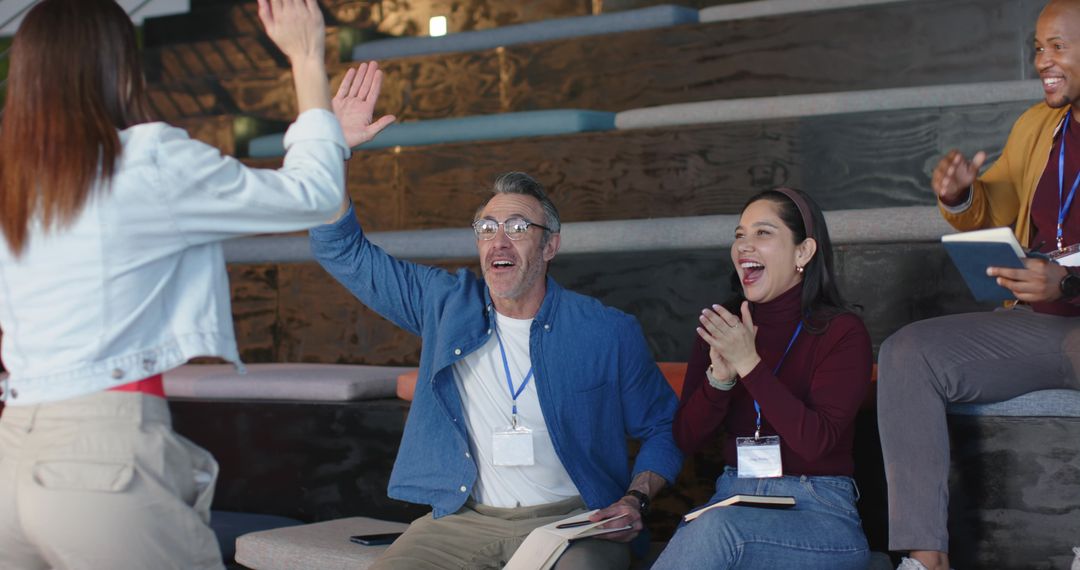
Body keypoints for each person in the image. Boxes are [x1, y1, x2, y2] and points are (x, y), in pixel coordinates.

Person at [0, 1, 392, 568]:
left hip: (13, 456)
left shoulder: (17, 183)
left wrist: (330, 140)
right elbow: (314, 195)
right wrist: (307, 55)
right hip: (99, 454)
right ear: (119, 66)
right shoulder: (148, 161)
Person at [309, 170, 682, 569]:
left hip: (575, 521)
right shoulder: (445, 304)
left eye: (518, 227)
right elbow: (342, 251)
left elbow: (663, 426)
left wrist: (634, 498)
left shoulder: (606, 330)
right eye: (487, 228)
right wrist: (331, 154)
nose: (498, 241)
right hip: (466, 519)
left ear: (550, 246)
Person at [876, 1, 1080, 569]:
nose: (1044, 61)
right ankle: (926, 558)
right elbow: (996, 205)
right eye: (1038, 48)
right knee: (909, 353)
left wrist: (1068, 282)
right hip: (1038, 323)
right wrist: (961, 195)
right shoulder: (1039, 125)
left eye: (1058, 46)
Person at [651, 187, 873, 569]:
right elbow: (686, 437)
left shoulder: (842, 331)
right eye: (740, 235)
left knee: (715, 528)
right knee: (712, 524)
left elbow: (815, 441)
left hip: (818, 510)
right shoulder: (724, 326)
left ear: (803, 252)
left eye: (763, 233)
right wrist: (720, 380)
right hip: (733, 494)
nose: (744, 246)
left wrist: (749, 365)